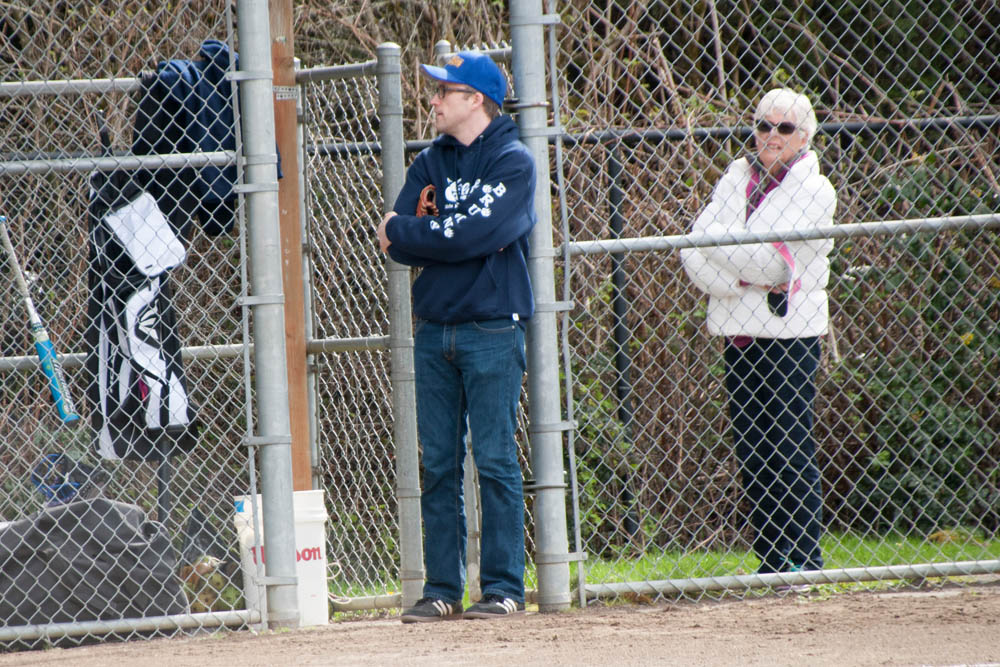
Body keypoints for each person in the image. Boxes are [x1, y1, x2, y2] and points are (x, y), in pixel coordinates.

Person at [376, 51, 535, 621]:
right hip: (434, 330)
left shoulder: (513, 162)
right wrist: (439, 234)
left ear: (476, 100)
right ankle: (442, 590)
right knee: (439, 463)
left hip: (493, 327)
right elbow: (394, 239)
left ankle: (503, 589)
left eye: (446, 91)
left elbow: (481, 231)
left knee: (493, 459)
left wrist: (427, 233)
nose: (435, 99)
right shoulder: (430, 164)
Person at [680, 88, 836, 574]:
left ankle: (805, 561)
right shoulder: (736, 174)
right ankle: (771, 561)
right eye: (764, 125)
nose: (771, 136)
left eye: (783, 128)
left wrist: (736, 259)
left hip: (790, 333)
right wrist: (744, 276)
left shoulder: (816, 190)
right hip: (738, 328)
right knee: (752, 448)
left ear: (804, 138)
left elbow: (776, 261)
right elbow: (693, 245)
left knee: (789, 445)